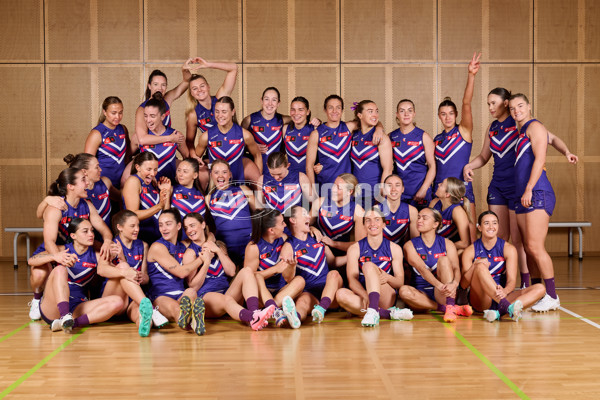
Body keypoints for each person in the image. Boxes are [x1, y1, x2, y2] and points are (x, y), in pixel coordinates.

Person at [463, 87, 578, 287]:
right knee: (498, 238)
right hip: (498, 186)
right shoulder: (493, 128)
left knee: (520, 241)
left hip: (520, 187)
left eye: (494, 103)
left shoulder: (521, 125)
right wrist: (469, 165)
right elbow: (483, 156)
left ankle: (526, 284)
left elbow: (550, 138)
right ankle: (496, 284)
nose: (491, 107)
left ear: (505, 103)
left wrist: (567, 151)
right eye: (488, 103)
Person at [29, 168, 113, 321]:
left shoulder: (87, 205)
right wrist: (59, 257)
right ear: (70, 186)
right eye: (83, 180)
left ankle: (90, 298)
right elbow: (49, 242)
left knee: (107, 255)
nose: (88, 183)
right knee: (39, 273)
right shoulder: (57, 206)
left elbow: (103, 228)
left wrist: (107, 241)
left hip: (78, 248)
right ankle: (37, 299)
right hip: (57, 250)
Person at [182, 213, 276, 333]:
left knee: (246, 271)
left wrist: (218, 251)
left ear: (203, 224)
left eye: (192, 225)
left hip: (227, 292)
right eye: (186, 228)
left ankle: (254, 312)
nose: (189, 230)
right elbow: (193, 286)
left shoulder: (217, 245)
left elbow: (231, 272)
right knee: (226, 299)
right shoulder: (190, 253)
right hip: (207, 297)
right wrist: (206, 262)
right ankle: (252, 318)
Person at [509, 93, 560, 312]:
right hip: (523, 194)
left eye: (520, 106)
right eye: (512, 108)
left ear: (529, 106)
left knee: (535, 247)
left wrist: (529, 188)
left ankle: (552, 295)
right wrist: (567, 151)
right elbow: (555, 138)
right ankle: (537, 292)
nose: (516, 111)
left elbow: (540, 158)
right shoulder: (522, 132)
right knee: (528, 247)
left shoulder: (534, 126)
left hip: (537, 191)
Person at [31, 218, 124, 332]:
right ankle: (64, 315)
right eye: (85, 231)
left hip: (77, 305)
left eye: (92, 231)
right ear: (73, 236)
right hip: (54, 305)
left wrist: (120, 257)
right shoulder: (62, 250)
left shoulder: (96, 255)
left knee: (117, 301)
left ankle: (71, 324)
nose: (91, 234)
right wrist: (54, 256)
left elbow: (112, 270)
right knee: (60, 269)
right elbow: (32, 260)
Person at [460, 211, 546, 322]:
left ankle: (499, 313)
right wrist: (475, 266)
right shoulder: (470, 250)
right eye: (486, 223)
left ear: (498, 226)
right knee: (480, 266)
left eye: (494, 223)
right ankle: (507, 307)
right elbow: (463, 285)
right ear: (479, 227)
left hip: (501, 295)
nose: (491, 226)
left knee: (540, 288)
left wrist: (505, 291)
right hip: (482, 299)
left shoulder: (508, 249)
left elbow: (511, 281)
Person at [336, 207, 413, 327]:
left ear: (383, 224)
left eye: (377, 220)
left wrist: (387, 277)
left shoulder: (394, 248)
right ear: (363, 225)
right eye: (368, 220)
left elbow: (399, 282)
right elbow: (352, 281)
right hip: (364, 294)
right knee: (340, 294)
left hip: (385, 294)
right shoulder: (354, 248)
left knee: (368, 266)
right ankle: (386, 313)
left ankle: (373, 310)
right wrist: (365, 295)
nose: (372, 224)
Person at [399, 208, 473, 322]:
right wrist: (439, 285)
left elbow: (456, 268)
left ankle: (449, 304)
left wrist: (455, 283)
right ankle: (448, 308)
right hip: (421, 295)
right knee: (403, 291)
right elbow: (422, 269)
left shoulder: (447, 243)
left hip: (443, 293)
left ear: (435, 224)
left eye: (424, 218)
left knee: (443, 260)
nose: (419, 220)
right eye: (418, 217)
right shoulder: (409, 245)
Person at [103, 210, 169, 336]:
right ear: (120, 227)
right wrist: (124, 267)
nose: (137, 229)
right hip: (113, 297)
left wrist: (140, 276)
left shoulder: (143, 245)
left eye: (138, 225)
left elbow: (146, 278)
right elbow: (101, 270)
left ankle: (145, 326)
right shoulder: (112, 245)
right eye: (132, 226)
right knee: (123, 267)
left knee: (144, 316)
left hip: (133, 298)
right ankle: (151, 308)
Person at [434, 52, 480, 227]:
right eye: (443, 114)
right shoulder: (436, 139)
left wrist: (471, 75)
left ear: (456, 115)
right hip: (440, 191)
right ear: (439, 116)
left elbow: (466, 103)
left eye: (451, 114)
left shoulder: (463, 131)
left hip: (462, 189)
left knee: (468, 235)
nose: (447, 117)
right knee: (441, 236)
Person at [306, 95, 383, 193]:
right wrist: (313, 192)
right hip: (325, 185)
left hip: (347, 187)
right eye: (330, 107)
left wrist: (379, 128)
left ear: (342, 110)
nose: (335, 111)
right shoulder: (316, 134)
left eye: (338, 107)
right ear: (325, 110)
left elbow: (371, 120)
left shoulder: (349, 127)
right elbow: (309, 167)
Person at [280, 206, 342, 324]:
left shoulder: (317, 237)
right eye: (304, 214)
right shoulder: (289, 246)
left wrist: (354, 256)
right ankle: (293, 319)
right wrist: (291, 267)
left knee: (333, 274)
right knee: (301, 302)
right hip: (310, 292)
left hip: (332, 291)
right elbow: (287, 278)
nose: (308, 216)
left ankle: (321, 308)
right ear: (293, 220)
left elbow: (333, 262)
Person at [244, 209, 304, 328]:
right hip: (261, 293)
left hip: (281, 291)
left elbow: (289, 277)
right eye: (282, 223)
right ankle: (276, 310)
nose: (285, 225)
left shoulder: (283, 238)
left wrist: (291, 266)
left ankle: (272, 309)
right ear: (271, 230)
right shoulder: (253, 247)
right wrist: (275, 269)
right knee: (257, 277)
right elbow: (248, 277)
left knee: (300, 280)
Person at [195, 96, 262, 185]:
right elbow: (195, 159)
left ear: (232, 112)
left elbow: (257, 155)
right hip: (215, 185)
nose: (220, 115)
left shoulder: (245, 135)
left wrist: (259, 179)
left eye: (224, 112)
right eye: (217, 111)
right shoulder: (206, 136)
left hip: (238, 184)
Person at [135, 61, 198, 150]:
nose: (160, 88)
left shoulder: (167, 98)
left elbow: (187, 81)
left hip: (166, 147)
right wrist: (169, 138)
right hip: (149, 149)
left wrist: (184, 69)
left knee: (187, 161)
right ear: (149, 86)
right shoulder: (142, 109)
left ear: (166, 87)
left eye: (163, 85)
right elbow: (142, 139)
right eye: (155, 84)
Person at [205, 159, 257, 266]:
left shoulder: (244, 189)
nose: (220, 175)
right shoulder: (208, 198)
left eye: (224, 172)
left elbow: (260, 213)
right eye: (216, 172)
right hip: (226, 247)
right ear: (211, 175)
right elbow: (207, 226)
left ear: (230, 174)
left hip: (249, 244)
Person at [184, 58, 238, 159]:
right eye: (195, 88)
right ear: (191, 93)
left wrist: (208, 64)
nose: (199, 90)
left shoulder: (220, 98)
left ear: (208, 87)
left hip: (235, 148)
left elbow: (233, 68)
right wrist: (193, 156)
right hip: (214, 153)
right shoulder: (194, 114)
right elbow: (189, 142)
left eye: (202, 86)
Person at [388, 99, 436, 208]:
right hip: (399, 193)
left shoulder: (424, 136)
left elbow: (432, 166)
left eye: (410, 111)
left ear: (414, 114)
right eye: (402, 111)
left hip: (420, 192)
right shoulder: (391, 136)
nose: (406, 114)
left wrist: (424, 189)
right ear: (397, 114)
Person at [349, 100, 393, 208]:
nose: (375, 115)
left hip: (374, 193)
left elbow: (388, 169)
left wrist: (381, 195)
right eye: (370, 111)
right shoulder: (353, 134)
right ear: (360, 115)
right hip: (356, 193)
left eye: (376, 111)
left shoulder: (382, 138)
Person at [84, 96, 134, 189]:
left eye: (120, 113)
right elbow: (87, 164)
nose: (117, 117)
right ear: (104, 112)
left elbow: (128, 153)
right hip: (102, 183)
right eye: (113, 113)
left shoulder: (123, 129)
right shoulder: (96, 133)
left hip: (122, 182)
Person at [121, 152, 172, 244]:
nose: (152, 173)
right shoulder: (133, 181)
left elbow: (165, 214)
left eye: (155, 169)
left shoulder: (152, 183)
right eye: (149, 169)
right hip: (141, 239)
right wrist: (159, 206)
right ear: (138, 167)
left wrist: (166, 192)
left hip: (159, 237)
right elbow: (133, 215)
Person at [311, 173, 366, 255]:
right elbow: (303, 225)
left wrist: (334, 244)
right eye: (334, 185)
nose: (333, 189)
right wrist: (312, 228)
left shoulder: (357, 211)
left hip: (340, 254)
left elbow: (360, 245)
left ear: (349, 191)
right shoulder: (320, 202)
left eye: (339, 188)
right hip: (316, 251)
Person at [138, 92, 187, 182]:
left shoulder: (176, 135)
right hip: (146, 189)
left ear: (162, 116)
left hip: (169, 186)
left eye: (152, 116)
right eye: (145, 116)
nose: (148, 120)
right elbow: (128, 158)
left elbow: (187, 158)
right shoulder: (139, 137)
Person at [241, 87, 291, 173]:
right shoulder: (249, 120)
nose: (270, 103)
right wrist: (251, 147)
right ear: (261, 101)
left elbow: (301, 119)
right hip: (255, 170)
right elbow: (238, 144)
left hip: (276, 171)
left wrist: (316, 122)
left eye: (274, 100)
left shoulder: (284, 120)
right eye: (266, 99)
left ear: (278, 103)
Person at [429, 177, 472, 252]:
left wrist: (441, 247)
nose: (438, 184)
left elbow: (465, 243)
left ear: (447, 194)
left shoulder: (457, 211)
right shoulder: (434, 203)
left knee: (461, 251)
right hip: (434, 245)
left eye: (442, 184)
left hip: (450, 248)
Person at [379, 174, 419, 246]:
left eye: (397, 185)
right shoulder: (375, 210)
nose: (393, 189)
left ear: (403, 189)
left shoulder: (412, 211)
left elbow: (415, 241)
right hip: (380, 253)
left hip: (402, 252)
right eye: (389, 185)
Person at [282, 97, 314, 176]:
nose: (296, 113)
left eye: (300, 110)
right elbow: (280, 151)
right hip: (291, 179)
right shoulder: (285, 129)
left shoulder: (315, 129)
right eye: (293, 109)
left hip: (311, 177)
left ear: (308, 112)